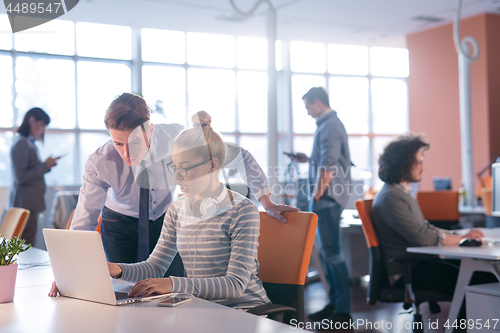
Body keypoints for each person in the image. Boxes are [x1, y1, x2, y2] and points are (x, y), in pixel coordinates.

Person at [52, 112, 270, 310]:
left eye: (184, 169)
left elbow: (235, 285)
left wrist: (172, 283)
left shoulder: (243, 211)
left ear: (212, 165)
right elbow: (155, 267)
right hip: (201, 310)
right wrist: (113, 269)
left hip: (246, 311)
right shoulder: (178, 209)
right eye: (174, 167)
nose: (175, 178)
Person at [69, 93, 297, 268]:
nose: (127, 154)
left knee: (174, 288)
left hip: (165, 220)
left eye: (134, 142)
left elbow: (240, 156)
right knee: (125, 289)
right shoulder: (100, 162)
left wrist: (266, 202)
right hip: (119, 225)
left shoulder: (177, 139)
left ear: (150, 130)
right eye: (119, 144)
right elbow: (82, 224)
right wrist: (70, 273)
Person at [371, 133, 493, 297]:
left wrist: (462, 235)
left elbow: (426, 229)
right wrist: (462, 239)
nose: (423, 167)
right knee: (480, 285)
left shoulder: (400, 194)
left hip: (421, 263)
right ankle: (464, 324)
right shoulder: (390, 197)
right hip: (407, 272)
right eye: (419, 162)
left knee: (488, 277)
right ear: (403, 164)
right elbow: (422, 237)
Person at [290, 87, 352, 326]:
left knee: (333, 255)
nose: (307, 113)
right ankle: (335, 304)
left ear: (318, 103)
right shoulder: (328, 126)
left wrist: (316, 196)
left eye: (308, 107)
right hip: (327, 197)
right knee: (327, 254)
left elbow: (329, 165)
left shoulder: (330, 126)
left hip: (326, 198)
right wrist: (308, 159)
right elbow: (326, 158)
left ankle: (343, 311)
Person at [6, 108, 59, 245]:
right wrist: (45, 166)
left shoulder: (27, 143)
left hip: (28, 203)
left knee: (25, 245)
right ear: (31, 120)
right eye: (41, 125)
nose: (42, 130)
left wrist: (45, 166)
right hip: (25, 203)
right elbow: (21, 176)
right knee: (25, 246)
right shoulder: (23, 143)